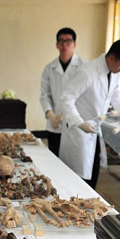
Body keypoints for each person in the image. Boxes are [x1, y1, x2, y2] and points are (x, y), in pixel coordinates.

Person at [59, 39, 120, 190]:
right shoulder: (87, 72)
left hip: (94, 130)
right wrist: (79, 122)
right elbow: (66, 98)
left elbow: (115, 92)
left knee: (92, 174)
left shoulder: (114, 72)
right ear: (111, 58)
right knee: (76, 181)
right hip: (78, 131)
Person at [40, 27, 85, 157]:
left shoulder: (84, 67)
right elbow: (44, 95)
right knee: (55, 160)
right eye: (61, 41)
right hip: (55, 125)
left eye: (68, 41)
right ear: (56, 45)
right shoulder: (49, 68)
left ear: (74, 44)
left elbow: (84, 96)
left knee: (74, 163)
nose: (64, 44)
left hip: (75, 123)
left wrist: (67, 113)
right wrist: (51, 116)